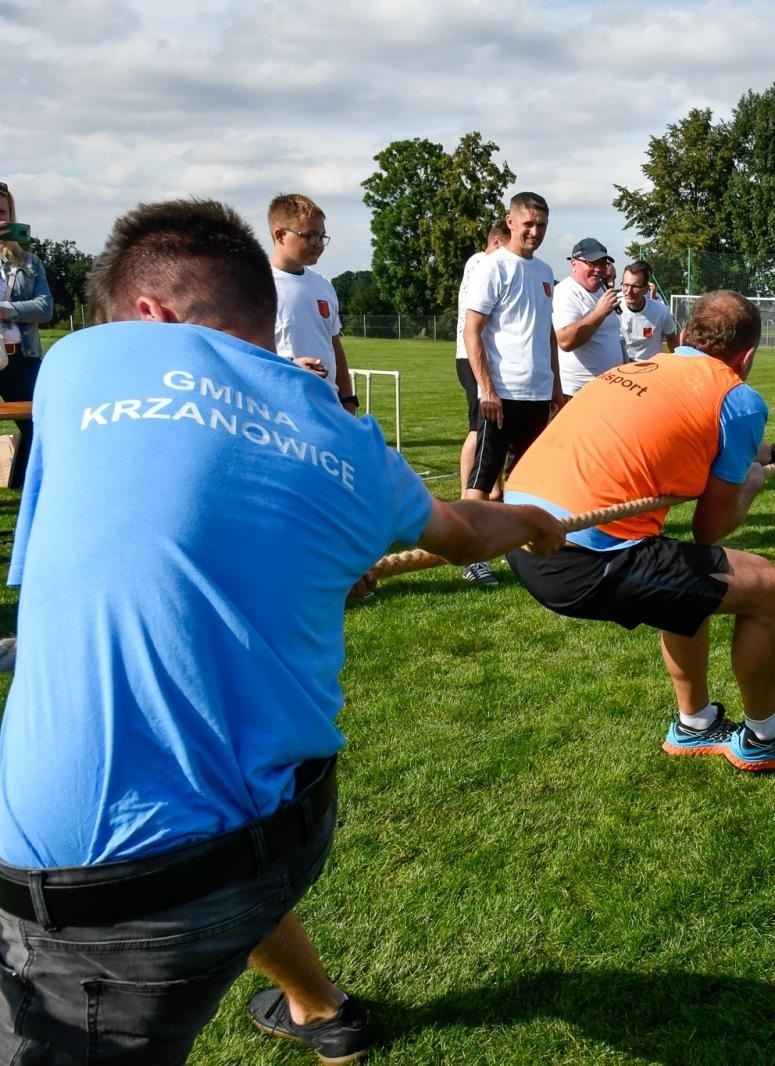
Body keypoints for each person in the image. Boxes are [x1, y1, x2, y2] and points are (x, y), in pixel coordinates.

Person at [0, 197, 565, 1065]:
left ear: (144, 315)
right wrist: (529, 520)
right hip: (281, 830)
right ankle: (319, 1007)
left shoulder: (79, 362)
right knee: (213, 789)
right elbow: (463, 534)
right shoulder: (351, 445)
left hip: (110, 902)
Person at [502, 290, 775, 773]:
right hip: (582, 557)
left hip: (521, 534)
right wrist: (755, 481)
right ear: (749, 355)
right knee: (764, 586)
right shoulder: (737, 398)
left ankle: (696, 724)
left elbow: (681, 438)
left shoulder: (633, 370)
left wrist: (765, 453)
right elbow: (709, 528)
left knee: (690, 587)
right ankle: (767, 735)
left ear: (689, 336)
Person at [460, 191, 564, 586]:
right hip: (502, 394)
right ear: (510, 222)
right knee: (483, 479)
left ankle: (520, 551)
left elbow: (548, 336)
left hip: (537, 393)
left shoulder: (543, 271)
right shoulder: (493, 267)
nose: (535, 232)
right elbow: (473, 332)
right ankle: (471, 556)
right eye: (528, 225)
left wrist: (553, 387)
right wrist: (486, 389)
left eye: (541, 226)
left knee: (525, 479)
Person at [267, 193, 359, 416]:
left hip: (328, 407)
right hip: (280, 407)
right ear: (280, 235)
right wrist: (291, 366)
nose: (318, 244)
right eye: (309, 236)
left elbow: (334, 345)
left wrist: (348, 400)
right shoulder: (257, 285)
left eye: (322, 236)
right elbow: (243, 351)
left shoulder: (323, 285)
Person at [0, 181, 54, 492]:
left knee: (35, 425)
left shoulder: (28, 262)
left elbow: (45, 308)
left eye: (2, 211)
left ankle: (23, 489)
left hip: (22, 355)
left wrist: (5, 310)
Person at [455, 219, 513, 502]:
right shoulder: (482, 263)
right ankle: (469, 491)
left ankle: (494, 487)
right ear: (499, 242)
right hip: (471, 356)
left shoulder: (480, 262)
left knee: (494, 428)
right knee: (478, 428)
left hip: (481, 356)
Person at [552, 238, 624, 395]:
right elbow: (565, 341)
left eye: (602, 264)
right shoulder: (565, 292)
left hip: (608, 389)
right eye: (592, 263)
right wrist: (599, 313)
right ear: (573, 263)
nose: (598, 269)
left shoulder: (602, 290)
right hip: (577, 394)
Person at [617, 260, 678, 363]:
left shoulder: (661, 311)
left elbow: (672, 341)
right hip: (621, 371)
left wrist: (678, 367)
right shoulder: (612, 310)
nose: (628, 291)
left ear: (646, 289)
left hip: (651, 372)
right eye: (626, 285)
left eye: (635, 286)